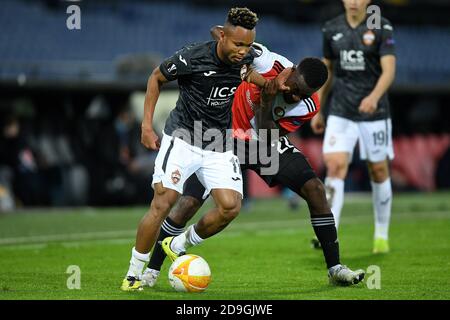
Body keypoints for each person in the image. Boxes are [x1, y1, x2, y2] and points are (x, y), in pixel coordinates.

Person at [142, 41, 366, 287]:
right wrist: (248, 70)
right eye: (295, 88)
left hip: (263, 143)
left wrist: (268, 101)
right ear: (291, 71)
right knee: (188, 203)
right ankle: (151, 271)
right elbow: (225, 37)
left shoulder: (308, 105)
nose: (295, 95)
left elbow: (269, 137)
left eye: (303, 94)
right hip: (223, 137)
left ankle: (335, 268)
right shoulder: (268, 60)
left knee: (315, 189)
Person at [121, 7, 287, 291]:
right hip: (182, 136)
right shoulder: (191, 57)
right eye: (238, 44)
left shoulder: (244, 57)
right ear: (222, 36)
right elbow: (155, 78)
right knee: (164, 201)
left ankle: (178, 243)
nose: (243, 50)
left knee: (230, 207)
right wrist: (146, 127)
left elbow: (249, 74)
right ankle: (134, 273)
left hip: (217, 142)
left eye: (247, 45)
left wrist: (272, 86)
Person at [310, 0, 396, 254]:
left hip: (375, 112)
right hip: (341, 110)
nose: (354, 2)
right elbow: (327, 70)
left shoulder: (381, 27)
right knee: (335, 166)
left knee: (378, 170)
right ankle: (329, 231)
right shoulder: (331, 28)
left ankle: (381, 234)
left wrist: (373, 97)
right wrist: (318, 108)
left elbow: (389, 71)